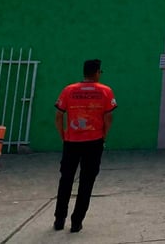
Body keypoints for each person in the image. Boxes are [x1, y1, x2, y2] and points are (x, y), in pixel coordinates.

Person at [53, 59, 116, 232]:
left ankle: (59, 219)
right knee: (87, 181)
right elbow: (108, 117)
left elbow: (59, 115)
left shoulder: (69, 90)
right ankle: (76, 221)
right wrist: (104, 136)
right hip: (94, 141)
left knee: (66, 179)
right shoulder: (105, 91)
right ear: (97, 72)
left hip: (72, 141)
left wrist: (63, 136)